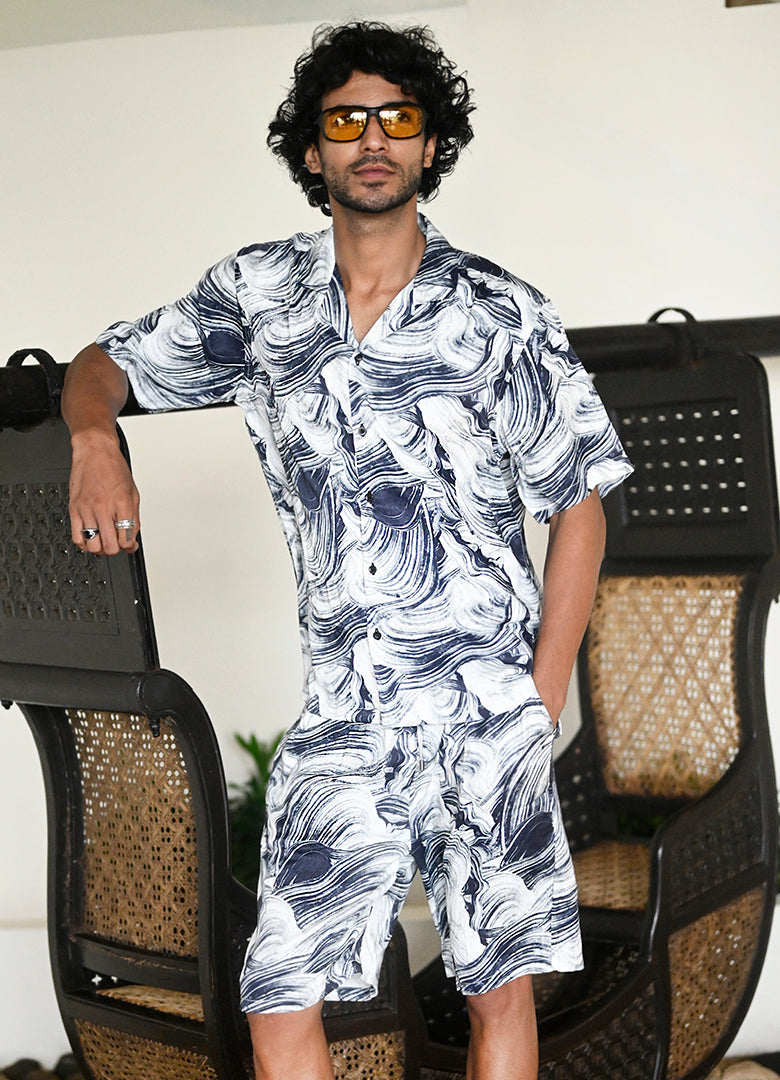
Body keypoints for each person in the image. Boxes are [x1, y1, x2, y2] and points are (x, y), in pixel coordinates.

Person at [62, 21, 632, 1080]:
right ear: (312, 149)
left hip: (485, 702)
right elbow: (105, 362)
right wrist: (96, 439)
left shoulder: (501, 311)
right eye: (347, 120)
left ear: (430, 144)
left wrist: (540, 696)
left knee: (498, 991)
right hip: (347, 706)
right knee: (281, 995)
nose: (373, 139)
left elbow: (581, 504)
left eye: (397, 118)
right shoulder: (260, 296)